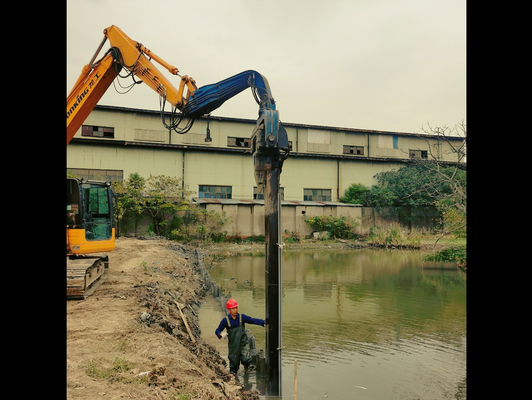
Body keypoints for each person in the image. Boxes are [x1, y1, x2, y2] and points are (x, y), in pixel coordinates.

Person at [215, 298, 265, 375]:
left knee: (245, 358)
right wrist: (221, 334)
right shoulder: (226, 320)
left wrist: (263, 322)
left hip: (243, 343)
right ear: (229, 310)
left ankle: (247, 367)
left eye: (236, 308)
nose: (235, 310)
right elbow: (217, 331)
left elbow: (252, 320)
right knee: (234, 363)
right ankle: (234, 376)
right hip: (233, 346)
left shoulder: (242, 317)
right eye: (233, 308)